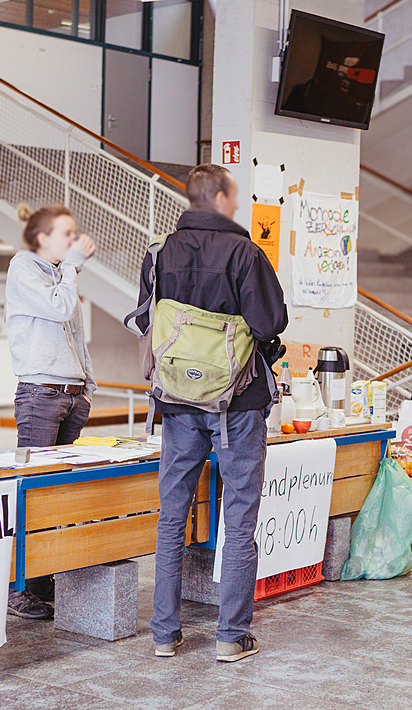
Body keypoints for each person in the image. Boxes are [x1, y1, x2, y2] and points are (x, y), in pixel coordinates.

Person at [135, 164, 287, 662]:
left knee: (171, 517)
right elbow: (271, 322)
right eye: (233, 197)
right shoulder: (246, 253)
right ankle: (230, 636)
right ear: (220, 197)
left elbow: (146, 318)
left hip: (178, 401)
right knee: (239, 518)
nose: (236, 205)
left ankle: (164, 634)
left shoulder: (160, 252)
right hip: (236, 403)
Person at [5, 203, 98, 619]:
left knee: (55, 493)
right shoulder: (24, 268)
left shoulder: (61, 274)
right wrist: (73, 266)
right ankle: (17, 588)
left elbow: (76, 335)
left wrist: (87, 388)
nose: (74, 241)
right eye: (66, 234)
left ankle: (41, 578)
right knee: (31, 491)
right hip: (40, 395)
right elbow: (59, 308)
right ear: (42, 238)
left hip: (70, 395)